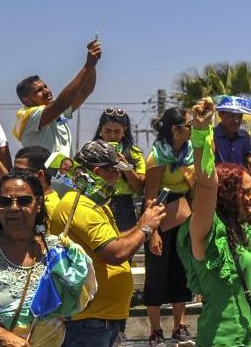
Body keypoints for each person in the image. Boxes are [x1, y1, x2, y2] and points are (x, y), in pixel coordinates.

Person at [176, 97, 251, 347]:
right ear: (227, 194)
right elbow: (207, 186)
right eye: (246, 191)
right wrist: (201, 133)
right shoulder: (208, 230)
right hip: (225, 340)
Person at [0, 170, 91, 346]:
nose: (13, 208)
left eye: (23, 201)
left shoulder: (59, 252)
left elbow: (81, 304)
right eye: (5, 201)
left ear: (38, 204)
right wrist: (3, 337)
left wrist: (71, 285)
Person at [49, 140, 166, 347]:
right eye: (114, 170)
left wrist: (142, 225)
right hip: (89, 320)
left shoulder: (95, 204)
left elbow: (115, 240)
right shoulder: (80, 206)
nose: (119, 176)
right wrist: (146, 228)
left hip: (100, 318)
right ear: (98, 171)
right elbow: (116, 253)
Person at [143, 108, 196, 346]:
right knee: (156, 271)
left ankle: (179, 324)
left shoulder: (190, 152)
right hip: (160, 212)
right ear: (176, 130)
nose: (192, 129)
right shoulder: (157, 156)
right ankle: (155, 329)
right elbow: (149, 198)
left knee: (180, 269)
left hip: (183, 211)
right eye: (189, 125)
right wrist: (153, 232)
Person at [12, 40, 101, 157]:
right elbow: (60, 105)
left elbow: (86, 90)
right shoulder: (28, 115)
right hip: (42, 169)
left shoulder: (57, 112)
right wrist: (87, 66)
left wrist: (92, 65)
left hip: (63, 169)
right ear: (27, 100)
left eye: (45, 86)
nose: (46, 91)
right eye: (39, 90)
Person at [92, 108, 146, 232]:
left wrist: (125, 166)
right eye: (107, 131)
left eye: (117, 131)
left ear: (124, 131)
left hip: (124, 206)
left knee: (126, 242)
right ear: (100, 130)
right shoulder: (89, 152)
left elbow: (139, 187)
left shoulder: (134, 153)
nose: (112, 136)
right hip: (97, 202)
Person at [213, 95, 251, 171]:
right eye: (232, 116)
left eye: (239, 117)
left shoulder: (244, 136)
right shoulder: (211, 135)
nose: (236, 121)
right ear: (221, 115)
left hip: (242, 178)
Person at [12, 145, 61, 215]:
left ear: (40, 175)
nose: (14, 176)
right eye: (13, 171)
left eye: (20, 172)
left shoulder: (47, 210)